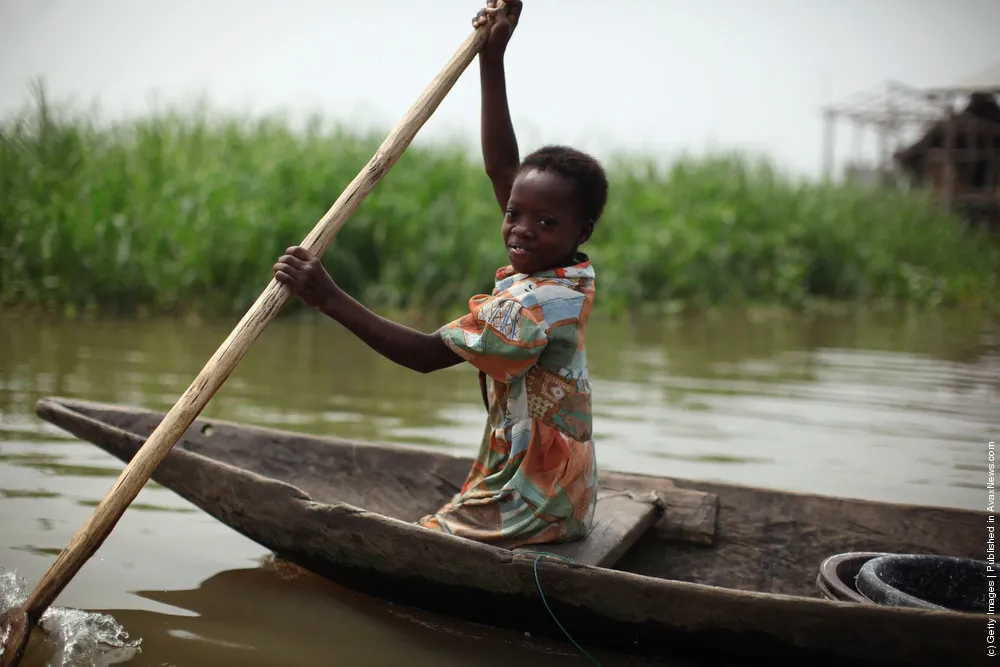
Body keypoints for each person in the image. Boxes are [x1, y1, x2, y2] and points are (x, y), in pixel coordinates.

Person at [273, 0, 609, 549]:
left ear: (581, 232)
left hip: (538, 501)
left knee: (418, 538)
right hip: (561, 487)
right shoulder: (572, 271)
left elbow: (427, 357)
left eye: (545, 222)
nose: (521, 230)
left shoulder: (534, 305)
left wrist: (328, 296)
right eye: (513, 215)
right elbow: (506, 169)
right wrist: (491, 56)